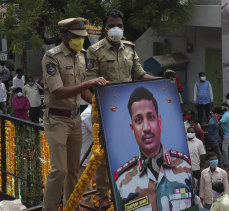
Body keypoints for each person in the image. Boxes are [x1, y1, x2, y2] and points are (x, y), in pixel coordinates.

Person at [85, 10, 170, 207]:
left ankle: (127, 188)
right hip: (105, 112)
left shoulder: (130, 48)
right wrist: (98, 108)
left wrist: (163, 79)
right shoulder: (94, 51)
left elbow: (140, 75)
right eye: (112, 25)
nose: (116, 29)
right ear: (105, 28)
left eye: (120, 26)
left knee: (128, 150)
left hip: (127, 111)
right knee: (103, 154)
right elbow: (87, 83)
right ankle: (103, 194)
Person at [41, 17, 107, 210]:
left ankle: (72, 207)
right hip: (56, 119)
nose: (80, 40)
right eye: (75, 37)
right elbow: (58, 92)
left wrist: (99, 103)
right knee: (59, 170)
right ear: (64, 36)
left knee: (73, 171)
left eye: (82, 37)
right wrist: (88, 84)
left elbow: (83, 92)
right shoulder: (51, 57)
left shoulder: (81, 56)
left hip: (75, 118)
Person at [114, 87, 194, 210]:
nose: (146, 127)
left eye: (151, 117)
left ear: (159, 122)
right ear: (132, 128)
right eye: (138, 120)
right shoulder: (121, 182)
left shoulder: (185, 166)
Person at [79, 105, 94, 208]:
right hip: (82, 159)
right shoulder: (89, 114)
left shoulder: (90, 112)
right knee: (85, 192)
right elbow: (98, 134)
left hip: (86, 158)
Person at [219, 103, 229, 170]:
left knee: (224, 149)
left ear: (223, 109)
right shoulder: (227, 114)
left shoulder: (226, 115)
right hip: (228, 133)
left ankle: (227, 165)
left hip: (228, 135)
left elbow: (218, 123)